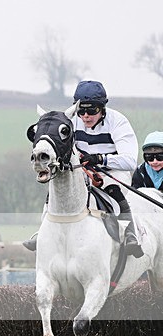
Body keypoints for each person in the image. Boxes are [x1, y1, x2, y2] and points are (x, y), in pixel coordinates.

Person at [23, 80, 142, 257]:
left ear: (103, 108)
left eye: (92, 110)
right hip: (82, 169)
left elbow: (130, 161)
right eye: (82, 111)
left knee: (113, 190)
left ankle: (130, 233)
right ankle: (42, 232)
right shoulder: (71, 121)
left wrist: (101, 159)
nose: (85, 116)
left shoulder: (118, 122)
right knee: (56, 189)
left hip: (113, 171)